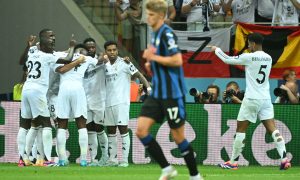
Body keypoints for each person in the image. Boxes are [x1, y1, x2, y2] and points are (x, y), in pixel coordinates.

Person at [136, 0, 202, 179]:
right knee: (141, 130)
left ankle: (195, 176)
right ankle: (166, 169)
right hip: (157, 92)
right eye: (147, 14)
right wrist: (151, 64)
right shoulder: (154, 34)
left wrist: (153, 57)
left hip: (172, 93)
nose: (147, 17)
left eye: (150, 15)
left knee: (178, 137)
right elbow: (160, 62)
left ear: (160, 16)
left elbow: (177, 60)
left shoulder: (167, 34)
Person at [210, 32, 291, 170]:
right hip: (266, 99)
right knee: (272, 129)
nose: (248, 46)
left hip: (252, 98)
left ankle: (233, 162)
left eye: (249, 44)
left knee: (241, 129)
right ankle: (284, 159)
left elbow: (227, 60)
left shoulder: (249, 57)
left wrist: (216, 50)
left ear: (253, 44)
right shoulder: (269, 58)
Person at [19, 29, 76, 166]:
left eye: (54, 36)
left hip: (26, 89)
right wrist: (72, 46)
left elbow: (21, 61)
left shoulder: (32, 51)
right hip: (38, 91)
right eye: (50, 37)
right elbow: (68, 59)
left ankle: (23, 159)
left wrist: (28, 45)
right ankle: (45, 159)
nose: (53, 39)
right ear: (42, 39)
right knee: (47, 125)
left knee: (25, 125)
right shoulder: (47, 57)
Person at [55, 44, 105, 167]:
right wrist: (102, 54)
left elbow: (58, 68)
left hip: (64, 89)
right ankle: (83, 160)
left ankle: (62, 159)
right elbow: (100, 60)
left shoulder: (62, 56)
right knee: (81, 124)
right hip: (78, 89)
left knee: (62, 124)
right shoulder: (86, 58)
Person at [103, 40, 150, 167]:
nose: (112, 52)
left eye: (114, 50)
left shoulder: (125, 63)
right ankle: (112, 159)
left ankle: (124, 160)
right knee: (111, 131)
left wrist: (149, 89)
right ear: (105, 52)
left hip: (121, 102)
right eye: (109, 50)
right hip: (108, 103)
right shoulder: (104, 65)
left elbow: (139, 75)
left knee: (123, 130)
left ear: (117, 50)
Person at [83, 37, 109, 166]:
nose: (90, 49)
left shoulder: (102, 61)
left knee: (99, 128)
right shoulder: (81, 63)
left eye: (93, 47)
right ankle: (93, 159)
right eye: (88, 48)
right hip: (85, 100)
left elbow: (105, 60)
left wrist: (103, 57)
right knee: (90, 129)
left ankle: (105, 157)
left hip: (99, 100)